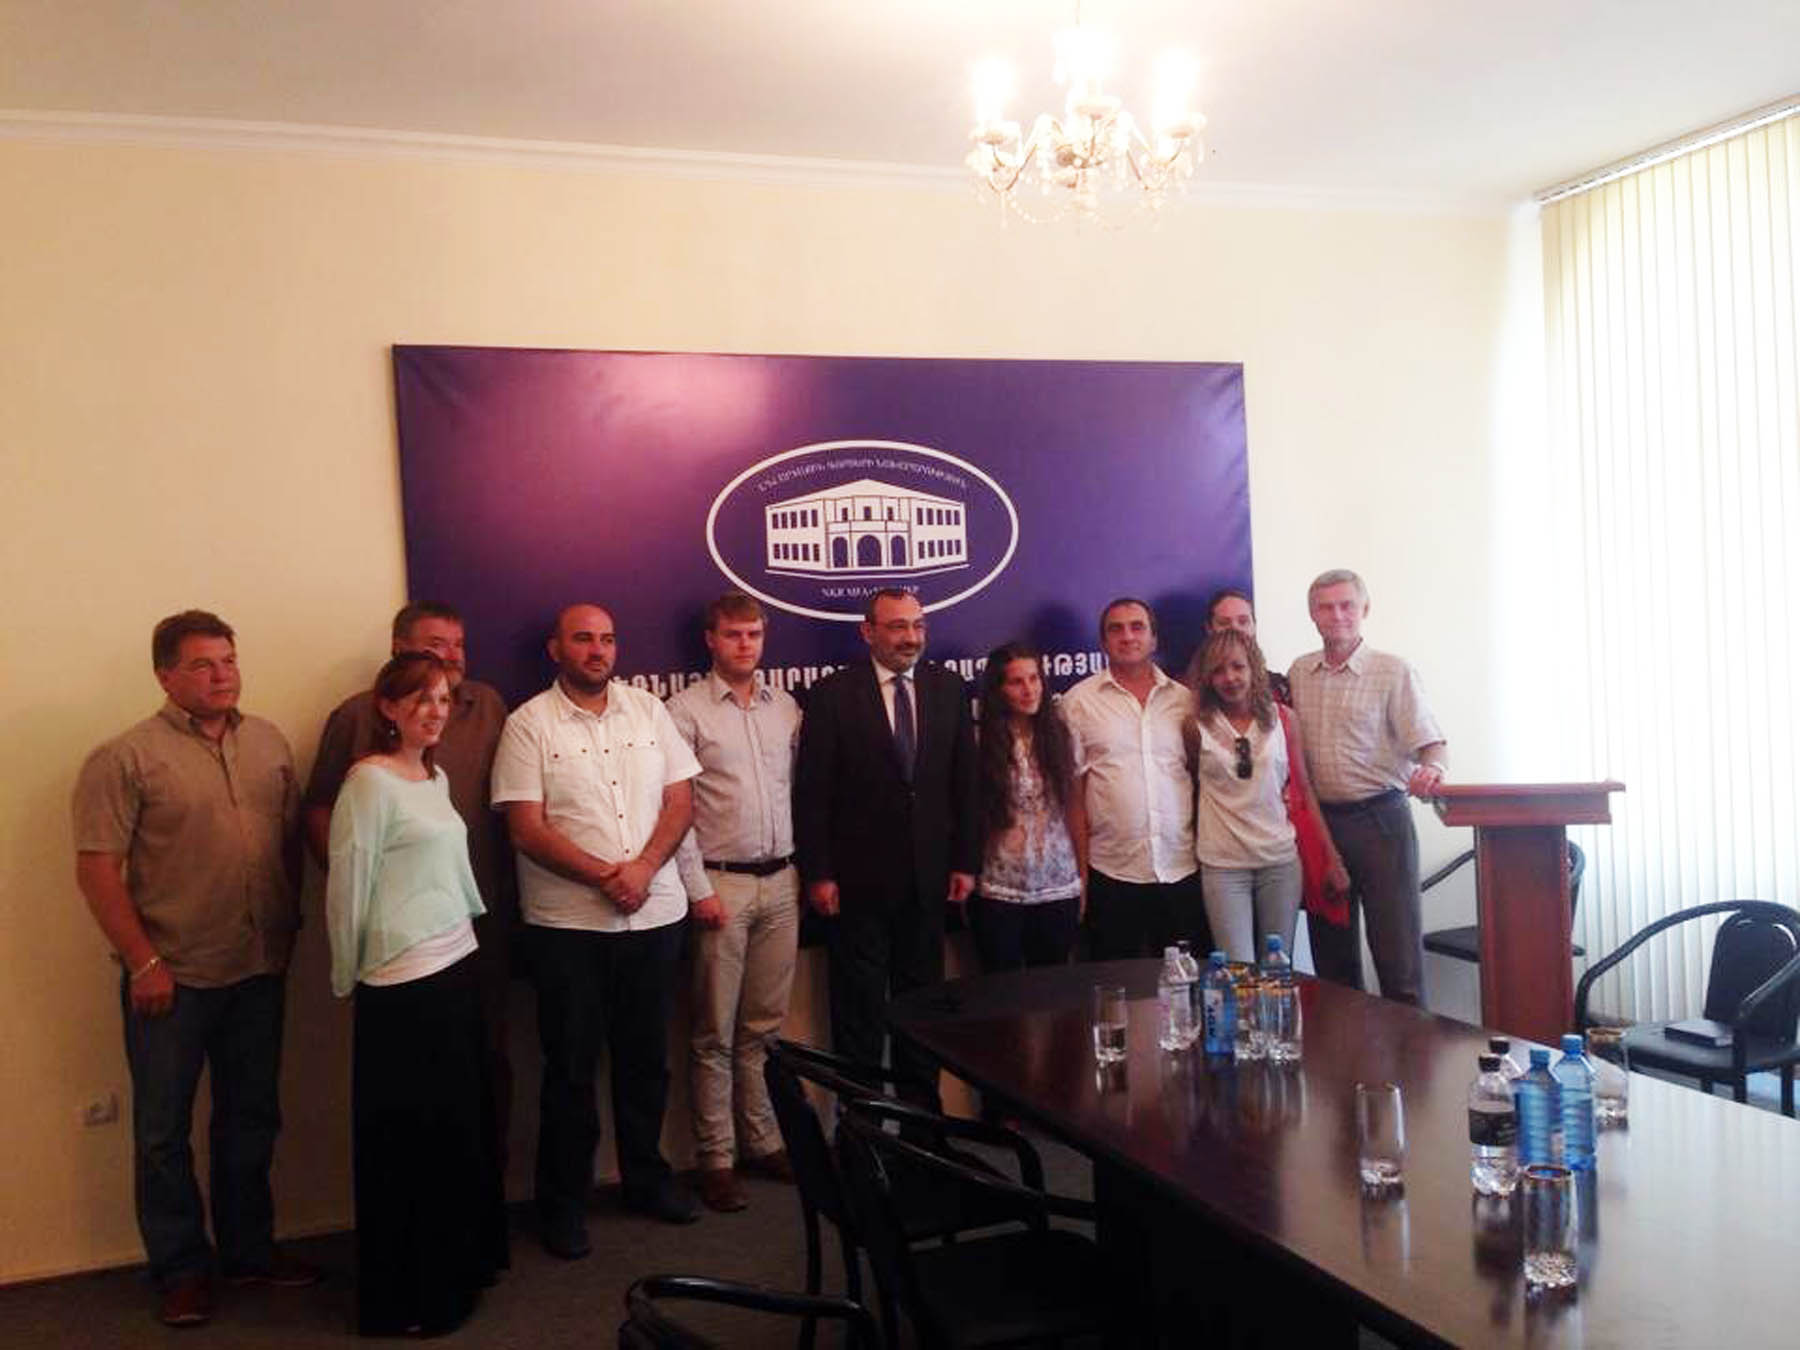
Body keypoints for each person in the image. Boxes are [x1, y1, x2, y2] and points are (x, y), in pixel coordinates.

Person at [71, 610, 315, 1327]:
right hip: (170, 975)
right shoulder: (124, 757)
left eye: (229, 660)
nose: (222, 675)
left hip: (258, 966)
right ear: (165, 675)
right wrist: (143, 961)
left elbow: (288, 845)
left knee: (251, 1118)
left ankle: (248, 1252)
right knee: (162, 1132)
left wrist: (288, 925)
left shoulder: (268, 741)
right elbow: (97, 871)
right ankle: (180, 1269)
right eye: (203, 664)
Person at [490, 603, 702, 1256]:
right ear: (556, 649)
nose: (598, 650)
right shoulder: (528, 724)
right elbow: (526, 828)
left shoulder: (649, 711)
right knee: (571, 1070)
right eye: (583, 639)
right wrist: (607, 877)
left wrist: (642, 869)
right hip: (568, 929)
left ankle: (647, 1181)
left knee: (647, 1062)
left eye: (607, 639)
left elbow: (681, 802)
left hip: (655, 917)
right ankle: (564, 1205)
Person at [325, 653, 506, 1337]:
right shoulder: (368, 783)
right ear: (388, 707)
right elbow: (348, 885)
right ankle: (414, 1294)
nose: (435, 711)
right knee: (413, 1142)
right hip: (402, 982)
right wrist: (346, 974)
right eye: (420, 699)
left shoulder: (435, 776)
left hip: (456, 964)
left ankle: (461, 1268)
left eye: (444, 699)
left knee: (457, 1131)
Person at [303, 602, 515, 1177]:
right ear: (397, 653)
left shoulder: (469, 729)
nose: (451, 657)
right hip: (400, 954)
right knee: (412, 1101)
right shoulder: (361, 745)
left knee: (474, 1077)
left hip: (468, 935)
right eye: (435, 645)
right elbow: (332, 830)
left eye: (458, 645)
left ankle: (477, 1202)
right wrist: (365, 906)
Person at [793, 589, 978, 1100]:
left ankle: (924, 1133)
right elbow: (813, 792)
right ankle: (863, 1131)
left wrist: (965, 861)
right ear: (868, 631)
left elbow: (964, 783)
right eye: (897, 627)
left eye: (918, 626)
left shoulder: (947, 689)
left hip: (928, 882)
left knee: (922, 1016)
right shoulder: (832, 694)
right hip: (856, 886)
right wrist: (819, 873)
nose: (910, 637)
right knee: (860, 1021)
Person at [667, 594, 801, 1214]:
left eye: (753, 634)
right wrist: (698, 889)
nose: (745, 645)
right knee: (713, 1033)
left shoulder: (785, 708)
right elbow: (676, 812)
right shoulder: (684, 712)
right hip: (721, 883)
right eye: (733, 635)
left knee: (763, 1029)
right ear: (711, 639)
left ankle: (763, 1141)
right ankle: (716, 1158)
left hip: (782, 881)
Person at [1287, 569, 1447, 1004]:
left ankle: (1411, 1048)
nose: (1337, 615)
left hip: (1381, 822)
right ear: (1312, 615)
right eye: (1326, 607)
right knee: (1332, 960)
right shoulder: (1299, 672)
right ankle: (1346, 1048)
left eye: (1347, 605)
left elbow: (1432, 745)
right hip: (1321, 827)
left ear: (1365, 610)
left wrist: (1433, 769)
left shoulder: (1393, 671)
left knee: (1398, 960)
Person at [1061, 597, 1209, 960]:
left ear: (1154, 639)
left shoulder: (1186, 701)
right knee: (1115, 983)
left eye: (1137, 627)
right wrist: (1081, 876)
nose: (1127, 636)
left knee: (1183, 982)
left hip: (1181, 868)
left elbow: (1203, 783)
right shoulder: (1078, 703)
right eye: (1116, 629)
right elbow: (1073, 797)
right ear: (1103, 642)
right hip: (1111, 872)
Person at [1187, 629, 1346, 963]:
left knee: (1277, 969)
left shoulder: (1284, 719)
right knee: (1238, 969)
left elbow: (1304, 789)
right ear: (1208, 678)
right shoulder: (1195, 726)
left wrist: (1332, 857)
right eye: (1218, 670)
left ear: (1254, 668)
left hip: (1279, 862)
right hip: (1223, 866)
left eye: (1237, 666)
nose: (1230, 678)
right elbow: (1191, 789)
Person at [969, 641, 1088, 971]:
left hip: (1059, 884)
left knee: (1052, 986)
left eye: (1034, 679)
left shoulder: (1063, 735)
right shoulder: (979, 741)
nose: (1029, 690)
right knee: (1000, 988)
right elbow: (970, 818)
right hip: (998, 887)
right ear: (998, 690)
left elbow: (1076, 809)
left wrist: (1083, 877)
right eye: (1016, 682)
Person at [1206, 586, 1291, 705]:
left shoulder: (1280, 688)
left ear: (1254, 626)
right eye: (1224, 623)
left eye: (1243, 621)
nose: (1235, 628)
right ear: (1209, 629)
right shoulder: (1190, 691)